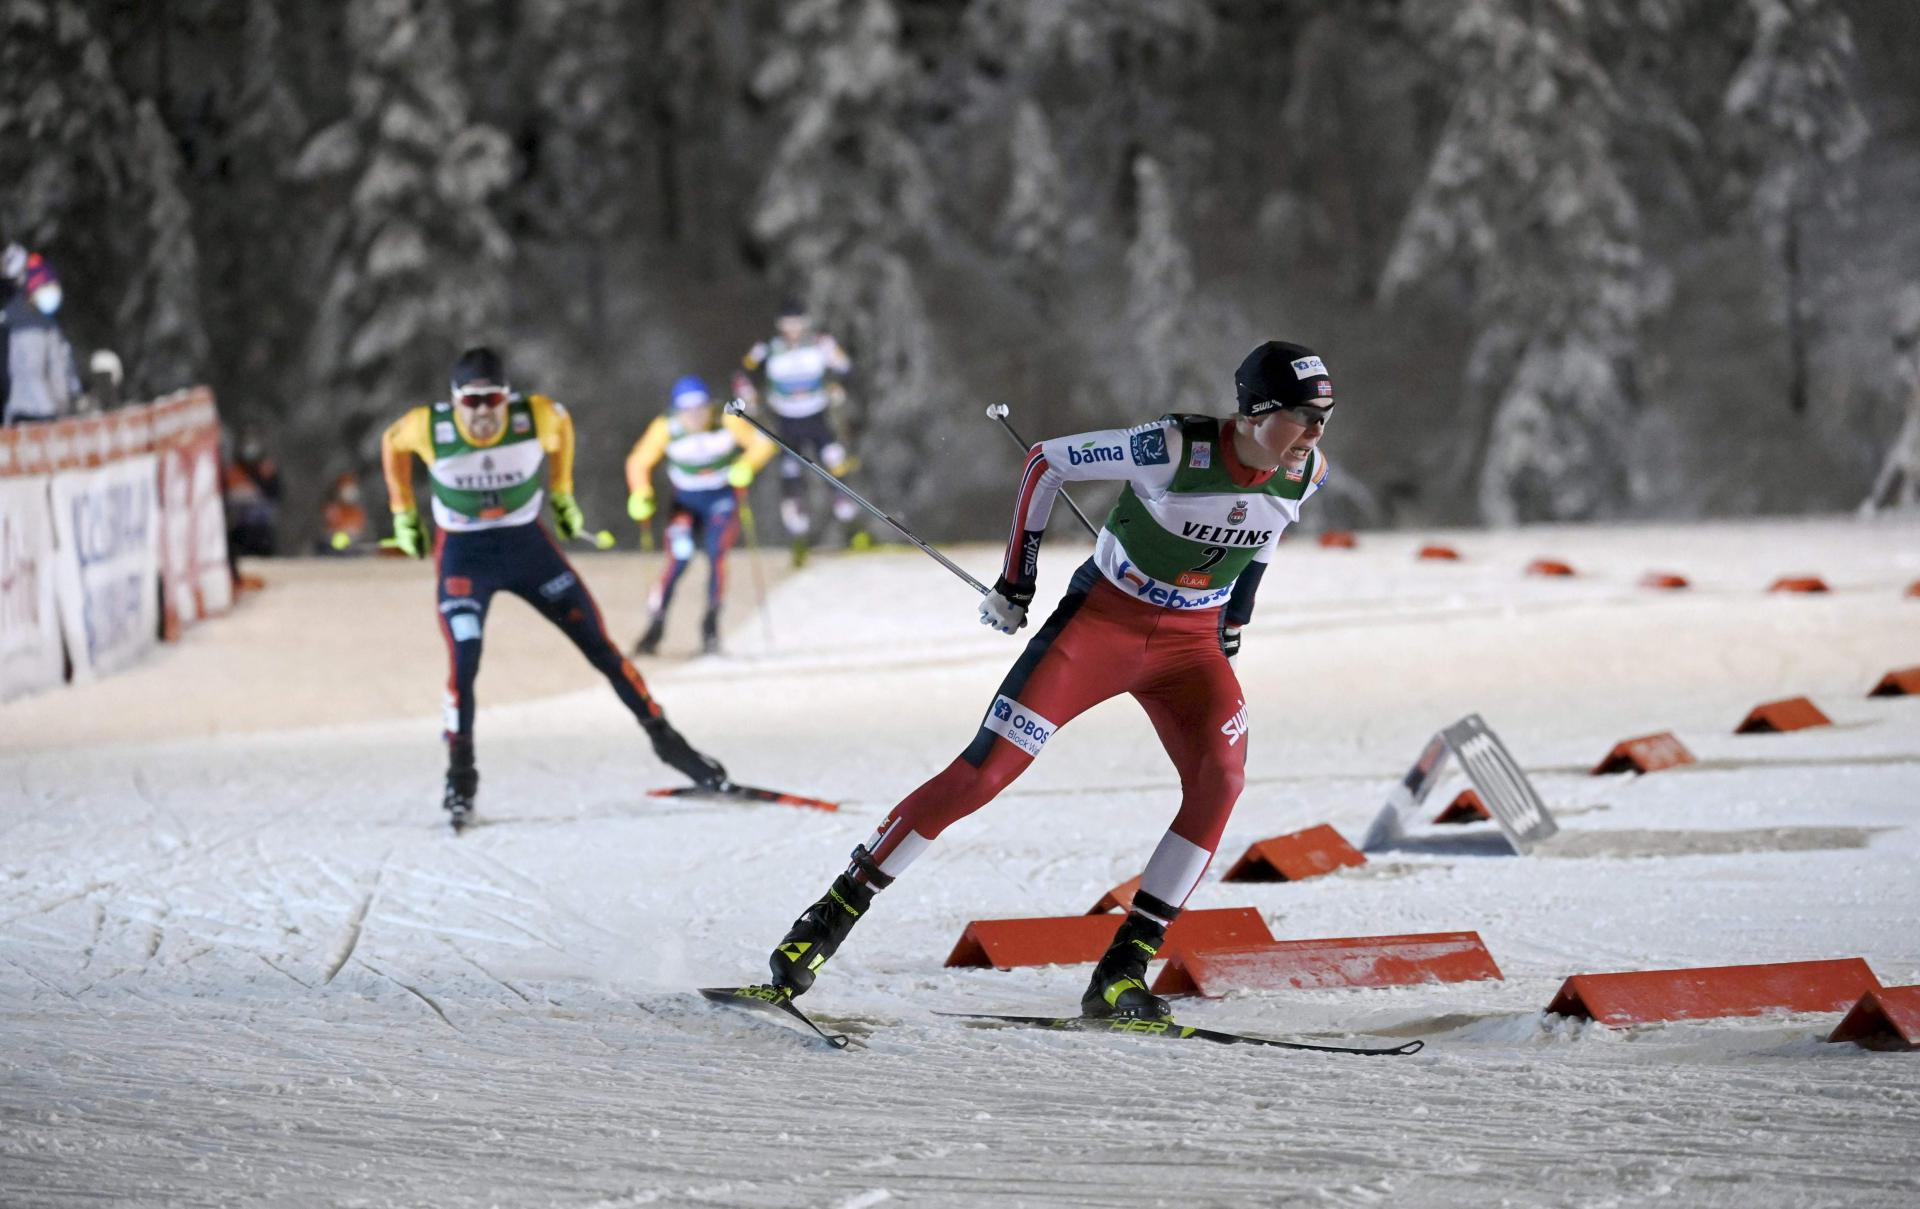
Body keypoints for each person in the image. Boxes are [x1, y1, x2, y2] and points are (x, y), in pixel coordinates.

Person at [763, 340, 1338, 1020]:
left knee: (1223, 777)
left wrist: (1235, 618)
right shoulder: (1174, 449)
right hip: (1102, 625)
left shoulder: (1308, 471)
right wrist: (1017, 580)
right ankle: (831, 914)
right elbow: (1044, 461)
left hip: (1189, 646)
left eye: (1326, 415)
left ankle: (1123, 969)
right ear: (1251, 415)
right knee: (986, 771)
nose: (1315, 431)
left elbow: (1265, 533)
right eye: (1302, 414)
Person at [380, 346, 730, 831]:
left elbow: (563, 430)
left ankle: (675, 749)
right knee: (464, 661)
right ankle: (460, 779)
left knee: (601, 648)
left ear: (507, 397)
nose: (483, 413)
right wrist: (402, 511)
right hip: (465, 557)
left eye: (492, 399)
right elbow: (392, 444)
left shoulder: (536, 416)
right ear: (455, 400)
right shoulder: (428, 426)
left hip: (528, 550)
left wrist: (562, 491)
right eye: (472, 402)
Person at [625, 375, 777, 656]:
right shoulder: (665, 428)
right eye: (687, 410)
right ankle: (655, 626)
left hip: (721, 499)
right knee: (678, 559)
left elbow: (764, 444)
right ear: (676, 410)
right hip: (685, 503)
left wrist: (746, 466)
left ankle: (710, 628)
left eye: (700, 408)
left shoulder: (727, 421)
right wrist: (641, 492)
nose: (695, 416)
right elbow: (638, 460)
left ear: (710, 406)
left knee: (716, 554)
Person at [734, 301, 856, 564]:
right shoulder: (767, 348)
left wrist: (837, 385)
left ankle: (846, 510)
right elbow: (743, 373)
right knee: (791, 469)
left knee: (833, 458)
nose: (793, 328)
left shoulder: (821, 343)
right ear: (780, 325)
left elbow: (846, 367)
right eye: (788, 323)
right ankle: (796, 523)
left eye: (798, 322)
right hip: (786, 417)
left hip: (817, 414)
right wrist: (748, 395)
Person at [3, 252, 81, 426]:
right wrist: (61, 407)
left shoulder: (13, 322)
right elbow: (55, 372)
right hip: (40, 413)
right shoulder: (40, 328)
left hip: (21, 413)